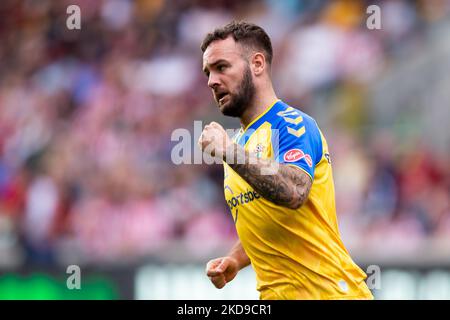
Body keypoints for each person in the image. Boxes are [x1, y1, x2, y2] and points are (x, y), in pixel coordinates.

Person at [198, 21, 373, 300]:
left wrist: (229, 152)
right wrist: (235, 259)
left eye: (222, 67)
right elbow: (272, 223)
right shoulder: (241, 144)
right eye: (208, 72)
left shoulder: (292, 125)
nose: (211, 81)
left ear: (257, 64)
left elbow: (294, 192)